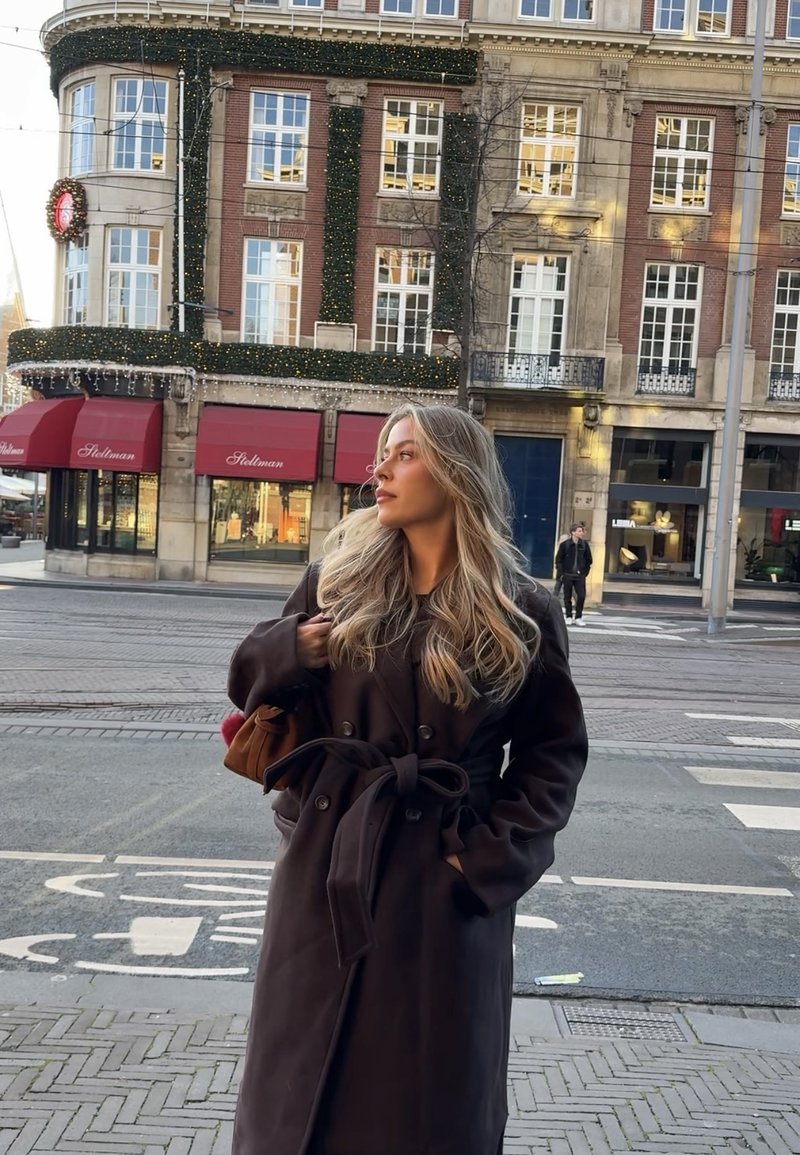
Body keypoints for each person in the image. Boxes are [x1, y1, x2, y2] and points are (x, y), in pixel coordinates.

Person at [227, 403, 588, 1155]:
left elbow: (554, 756)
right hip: (329, 873)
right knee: (300, 1100)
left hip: (443, 896)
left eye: (405, 454)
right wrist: (295, 648)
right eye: (382, 455)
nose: (381, 470)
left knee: (426, 1107)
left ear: (456, 474)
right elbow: (248, 682)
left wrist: (484, 861)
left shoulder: (520, 610)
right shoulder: (338, 582)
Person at [555, 522, 593, 627]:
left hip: (580, 576)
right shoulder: (565, 545)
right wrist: (561, 572)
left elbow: (589, 560)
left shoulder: (584, 545)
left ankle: (578, 617)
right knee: (567, 597)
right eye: (579, 531)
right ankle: (568, 616)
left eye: (582, 531)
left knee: (581, 596)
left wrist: (585, 572)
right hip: (567, 574)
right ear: (573, 532)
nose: (582, 533)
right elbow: (559, 560)